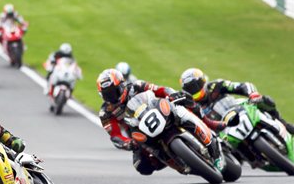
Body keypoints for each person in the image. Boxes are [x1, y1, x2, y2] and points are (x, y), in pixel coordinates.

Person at [96, 68, 226, 174]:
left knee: (183, 103)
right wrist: (127, 143)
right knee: (141, 166)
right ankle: (179, 164)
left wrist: (171, 94)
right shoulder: (105, 112)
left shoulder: (137, 86)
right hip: (140, 132)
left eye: (114, 92)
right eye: (107, 94)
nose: (112, 97)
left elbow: (160, 90)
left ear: (122, 85)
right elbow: (115, 135)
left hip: (159, 111)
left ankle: (209, 127)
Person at [179, 68, 294, 134]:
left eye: (195, 86)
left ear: (203, 81)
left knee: (266, 101)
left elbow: (242, 86)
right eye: (190, 89)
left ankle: (284, 124)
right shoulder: (192, 105)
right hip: (223, 130)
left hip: (240, 110)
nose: (194, 90)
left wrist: (253, 95)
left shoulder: (216, 85)